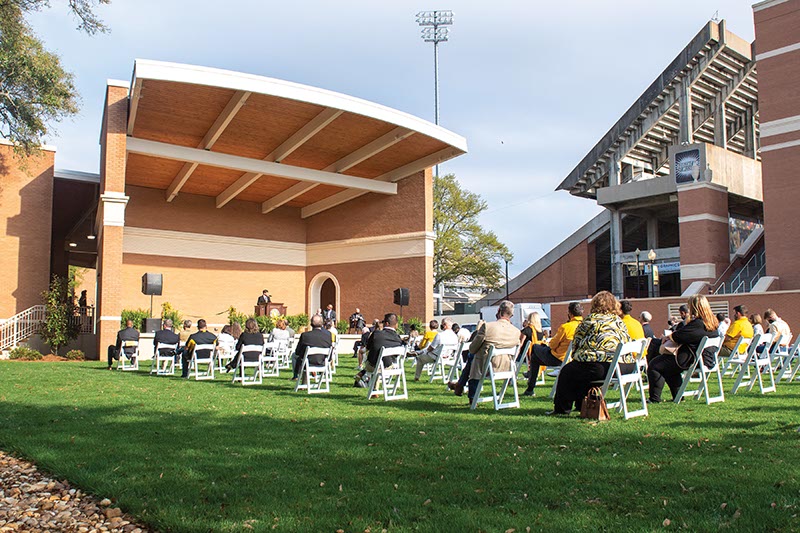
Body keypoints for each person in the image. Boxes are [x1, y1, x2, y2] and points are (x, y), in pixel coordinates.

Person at [551, 291, 633, 415]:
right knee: (582, 371)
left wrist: (578, 356)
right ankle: (582, 405)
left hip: (604, 366)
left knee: (568, 371)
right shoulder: (619, 322)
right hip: (624, 367)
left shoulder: (590, 320)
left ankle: (562, 409)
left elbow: (576, 343)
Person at [647, 295, 719, 403]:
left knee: (654, 365)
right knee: (669, 368)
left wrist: (669, 336)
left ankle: (654, 398)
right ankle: (678, 397)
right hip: (705, 358)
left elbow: (679, 336)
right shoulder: (712, 323)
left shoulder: (698, 324)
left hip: (690, 359)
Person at [523, 302, 584, 396]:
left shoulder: (566, 327)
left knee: (535, 348)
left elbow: (552, 345)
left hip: (558, 358)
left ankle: (530, 388)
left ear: (570, 313)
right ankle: (530, 387)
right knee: (535, 358)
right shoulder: (584, 327)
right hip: (573, 359)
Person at [465, 301, 521, 404]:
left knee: (472, 357)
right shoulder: (516, 331)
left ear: (499, 311)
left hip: (486, 368)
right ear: (511, 315)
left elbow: (472, 348)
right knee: (474, 358)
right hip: (507, 367)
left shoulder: (487, 326)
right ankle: (460, 385)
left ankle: (470, 395)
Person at [354, 313, 404, 387]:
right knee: (382, 362)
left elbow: (367, 348)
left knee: (373, 362)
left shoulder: (376, 334)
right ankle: (371, 384)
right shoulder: (398, 338)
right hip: (388, 367)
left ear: (386, 323)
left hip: (373, 366)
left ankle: (366, 379)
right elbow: (396, 356)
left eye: (383, 322)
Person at [292, 314, 333, 379]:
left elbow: (297, 352)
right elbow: (330, 354)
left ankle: (296, 376)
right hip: (322, 362)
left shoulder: (305, 335)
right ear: (322, 324)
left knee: (294, 355)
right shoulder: (328, 335)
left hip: (307, 362)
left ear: (311, 324)